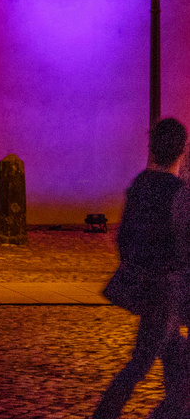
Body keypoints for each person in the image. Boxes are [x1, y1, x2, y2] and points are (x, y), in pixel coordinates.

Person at [92, 117, 188, 419]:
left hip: (145, 282)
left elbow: (124, 237)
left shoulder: (140, 184)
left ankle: (173, 408)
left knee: (174, 350)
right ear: (181, 151)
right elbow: (182, 241)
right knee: (143, 359)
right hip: (165, 285)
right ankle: (105, 413)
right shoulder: (178, 192)